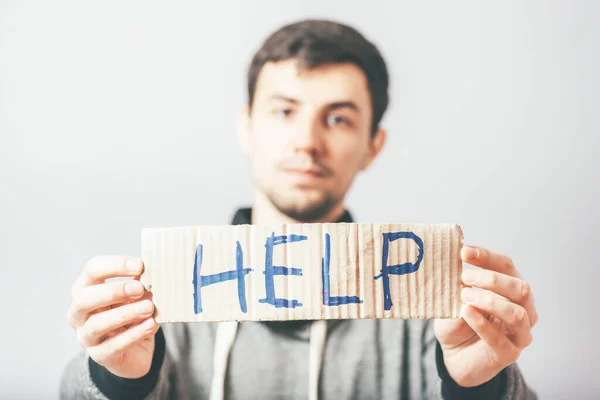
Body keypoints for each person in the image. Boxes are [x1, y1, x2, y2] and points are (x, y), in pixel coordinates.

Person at [60, 18, 538, 400]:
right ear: (246, 128)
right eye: (284, 111)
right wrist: (118, 383)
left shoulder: (431, 317)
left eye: (338, 118)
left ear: (373, 145)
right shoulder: (158, 306)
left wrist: (480, 390)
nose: (308, 143)